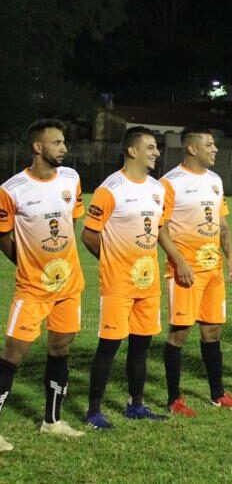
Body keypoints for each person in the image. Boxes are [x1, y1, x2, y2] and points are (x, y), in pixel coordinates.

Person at [0, 120, 87, 451]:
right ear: (38, 147)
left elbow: (71, 221)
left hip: (68, 287)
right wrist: (28, 264)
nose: (64, 148)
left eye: (64, 142)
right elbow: (3, 236)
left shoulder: (72, 179)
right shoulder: (12, 190)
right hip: (33, 289)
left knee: (60, 348)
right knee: (13, 353)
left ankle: (52, 421)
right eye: (57, 142)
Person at [158, 127, 232, 417]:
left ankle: (218, 394)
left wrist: (230, 256)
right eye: (209, 144)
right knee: (180, 333)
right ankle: (174, 399)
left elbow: (221, 222)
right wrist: (179, 262)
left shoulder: (215, 181)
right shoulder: (170, 183)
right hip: (186, 271)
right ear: (192, 148)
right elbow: (162, 228)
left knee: (212, 331)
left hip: (213, 270)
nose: (215, 149)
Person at [83, 127, 168, 428]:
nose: (156, 152)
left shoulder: (159, 189)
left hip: (150, 282)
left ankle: (136, 404)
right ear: (132, 151)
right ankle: (94, 411)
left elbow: (158, 230)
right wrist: (113, 261)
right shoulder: (111, 188)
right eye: (151, 147)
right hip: (118, 283)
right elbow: (90, 234)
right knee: (109, 345)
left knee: (141, 346)